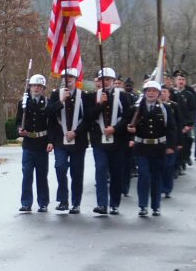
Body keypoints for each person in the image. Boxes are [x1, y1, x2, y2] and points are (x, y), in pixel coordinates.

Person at [127, 80, 177, 217]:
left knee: (156, 177)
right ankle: (143, 205)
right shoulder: (136, 109)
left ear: (158, 94)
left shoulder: (164, 109)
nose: (151, 93)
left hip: (158, 147)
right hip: (141, 147)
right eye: (148, 91)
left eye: (154, 91)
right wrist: (130, 132)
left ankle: (156, 206)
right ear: (144, 93)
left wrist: (171, 146)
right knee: (144, 175)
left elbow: (171, 128)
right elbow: (128, 124)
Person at [89, 67, 133, 215]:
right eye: (102, 79)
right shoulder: (94, 96)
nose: (105, 82)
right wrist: (100, 104)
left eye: (108, 79)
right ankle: (102, 204)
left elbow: (128, 117)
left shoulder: (123, 96)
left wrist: (115, 129)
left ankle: (114, 203)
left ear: (114, 81)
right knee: (101, 169)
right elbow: (89, 117)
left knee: (116, 172)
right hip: (99, 141)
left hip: (118, 141)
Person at [47, 68, 91, 214]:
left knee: (76, 172)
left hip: (78, 140)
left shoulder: (83, 96)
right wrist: (61, 101)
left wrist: (76, 132)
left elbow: (88, 119)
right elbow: (49, 113)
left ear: (76, 78)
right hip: (60, 139)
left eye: (71, 76)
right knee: (60, 167)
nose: (68, 79)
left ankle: (76, 203)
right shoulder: (55, 95)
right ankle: (63, 200)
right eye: (65, 76)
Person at [15, 74, 52, 212]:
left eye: (39, 86)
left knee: (42, 175)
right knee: (27, 174)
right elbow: (18, 121)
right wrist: (19, 129)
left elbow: (51, 125)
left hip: (42, 143)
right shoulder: (23, 103)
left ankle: (43, 202)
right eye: (34, 85)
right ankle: (26, 202)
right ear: (30, 87)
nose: (36, 88)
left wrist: (50, 142)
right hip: (29, 144)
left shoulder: (47, 103)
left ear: (43, 89)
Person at [172, 69, 196, 170]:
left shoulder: (189, 95)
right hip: (175, 124)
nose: (181, 81)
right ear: (175, 81)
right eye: (179, 79)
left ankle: (184, 158)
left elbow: (193, 110)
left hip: (185, 123)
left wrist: (189, 124)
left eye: (183, 79)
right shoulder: (172, 93)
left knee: (187, 141)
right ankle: (177, 164)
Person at [158, 86, 180, 199]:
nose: (162, 94)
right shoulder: (154, 107)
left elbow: (178, 125)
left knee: (169, 166)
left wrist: (178, 142)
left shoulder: (173, 106)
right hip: (158, 141)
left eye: (165, 91)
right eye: (160, 92)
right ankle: (159, 186)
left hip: (171, 139)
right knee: (160, 165)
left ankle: (167, 188)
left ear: (169, 94)